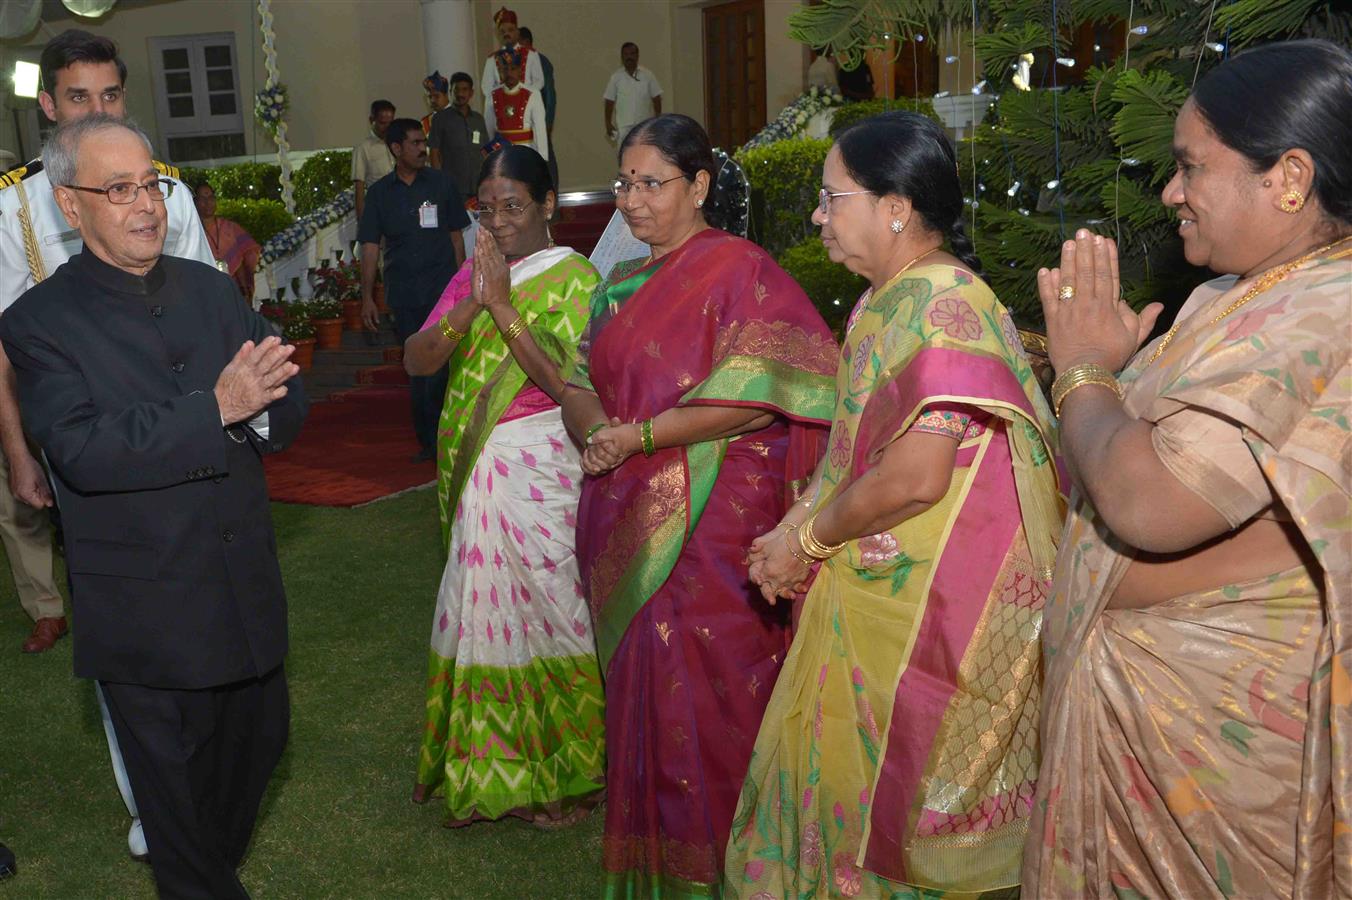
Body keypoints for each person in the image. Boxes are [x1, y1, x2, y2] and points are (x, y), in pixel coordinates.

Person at [1023, 40, 1352, 898]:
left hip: (1218, 744)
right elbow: (1110, 465)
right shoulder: (1232, 294)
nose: (1171, 193)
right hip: (1142, 718)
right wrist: (1113, 386)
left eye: (1190, 168)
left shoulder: (1323, 311)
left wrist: (1086, 373)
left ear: (1288, 175)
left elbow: (1148, 504)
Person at [724, 111, 1062, 898]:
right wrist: (790, 527)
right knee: (840, 796)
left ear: (896, 207)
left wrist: (807, 544)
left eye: (831, 198)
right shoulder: (888, 300)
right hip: (880, 593)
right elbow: (852, 453)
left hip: (926, 620)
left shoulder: (940, 302)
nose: (817, 216)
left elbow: (915, 476)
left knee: (884, 812)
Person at [0, 113, 306, 898]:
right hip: (146, 617)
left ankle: (198, 873)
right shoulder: (36, 324)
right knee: (174, 809)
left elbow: (282, 393)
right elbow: (81, 451)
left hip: (242, 593)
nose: (146, 207)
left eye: (152, 185)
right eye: (119, 190)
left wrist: (261, 402)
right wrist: (216, 408)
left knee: (259, 746)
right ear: (71, 206)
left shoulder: (209, 288)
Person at [559, 114, 837, 897]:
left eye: (653, 183)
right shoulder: (614, 286)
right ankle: (658, 873)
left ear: (702, 185)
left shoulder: (741, 272)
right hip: (625, 510)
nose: (634, 201)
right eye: (624, 184)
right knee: (643, 696)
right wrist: (597, 433)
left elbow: (768, 397)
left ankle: (739, 871)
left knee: (717, 695)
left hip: (715, 525)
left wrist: (638, 435)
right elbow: (580, 385)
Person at [0, 28, 215, 865]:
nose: (96, 110)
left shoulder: (167, 194)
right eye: (78, 98)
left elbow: (208, 313)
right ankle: (151, 803)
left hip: (184, 437)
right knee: (125, 630)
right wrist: (21, 456)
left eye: (111, 95)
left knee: (201, 615)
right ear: (49, 105)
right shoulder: (15, 207)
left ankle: (198, 779)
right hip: (87, 451)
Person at [406, 145, 605, 826]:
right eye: (486, 209)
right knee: (482, 619)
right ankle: (487, 768)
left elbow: (564, 383)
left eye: (513, 205)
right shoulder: (475, 272)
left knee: (554, 611)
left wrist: (502, 306)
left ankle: (569, 770)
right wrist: (474, 304)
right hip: (480, 472)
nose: (497, 221)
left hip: (544, 467)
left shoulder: (577, 279)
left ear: (548, 205)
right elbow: (417, 357)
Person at [358, 118, 469, 462]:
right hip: (404, 294)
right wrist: (366, 297)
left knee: (444, 369)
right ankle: (428, 442)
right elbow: (370, 246)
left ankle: (445, 438)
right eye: (415, 143)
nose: (423, 149)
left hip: (443, 292)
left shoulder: (441, 184)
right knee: (418, 370)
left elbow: (456, 236)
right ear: (395, 149)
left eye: (424, 142)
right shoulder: (379, 195)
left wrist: (463, 285)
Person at [428, 72, 488, 204]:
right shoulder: (440, 118)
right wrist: (439, 181)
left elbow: (485, 151)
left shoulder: (478, 119)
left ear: (471, 93)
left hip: (478, 185)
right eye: (457, 90)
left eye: (464, 90)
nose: (460, 94)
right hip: (453, 186)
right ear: (450, 91)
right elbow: (434, 152)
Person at [195, 182, 260, 302]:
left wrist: (244, 289)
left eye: (211, 198)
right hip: (204, 291)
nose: (207, 202)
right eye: (202, 198)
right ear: (195, 202)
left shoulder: (229, 227)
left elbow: (242, 256)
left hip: (232, 290)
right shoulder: (192, 231)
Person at [485, 49, 549, 161]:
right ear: (500, 71)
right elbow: (488, 129)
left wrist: (542, 160)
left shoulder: (533, 94)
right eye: (505, 69)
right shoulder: (492, 95)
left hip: (526, 153)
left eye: (513, 69)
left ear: (520, 71)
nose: (509, 73)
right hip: (501, 155)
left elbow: (540, 131)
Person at [480, 6, 544, 109]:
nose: (506, 34)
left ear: (517, 32)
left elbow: (539, 81)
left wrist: (523, 95)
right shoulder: (492, 59)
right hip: (502, 109)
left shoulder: (531, 54)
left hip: (527, 107)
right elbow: (486, 87)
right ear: (498, 35)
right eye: (502, 32)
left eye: (510, 30)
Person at [518, 27, 558, 189]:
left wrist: (547, 123)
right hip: (517, 125)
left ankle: (552, 204)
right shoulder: (511, 61)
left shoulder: (540, 61)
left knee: (545, 163)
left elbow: (550, 94)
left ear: (527, 42)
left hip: (537, 121)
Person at [603, 43, 662, 147]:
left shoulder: (648, 75)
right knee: (625, 158)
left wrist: (658, 120)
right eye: (626, 54)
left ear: (637, 56)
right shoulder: (616, 78)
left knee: (644, 158)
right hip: (624, 127)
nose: (629, 57)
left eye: (632, 53)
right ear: (622, 57)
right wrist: (608, 123)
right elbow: (609, 101)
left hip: (644, 126)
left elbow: (656, 98)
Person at [352, 99, 396, 220]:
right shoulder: (363, 148)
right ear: (372, 120)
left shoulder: (398, 143)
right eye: (382, 123)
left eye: (390, 123)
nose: (387, 127)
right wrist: (362, 220)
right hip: (379, 208)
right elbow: (359, 187)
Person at [421, 70, 450, 138]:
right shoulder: (425, 123)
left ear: (446, 95)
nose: (433, 100)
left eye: (436, 96)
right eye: (430, 97)